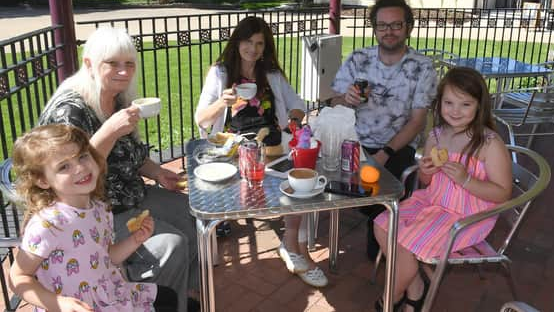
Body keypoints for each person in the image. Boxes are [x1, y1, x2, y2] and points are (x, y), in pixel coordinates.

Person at [38, 27, 198, 312]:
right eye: (113, 63)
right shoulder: (70, 112)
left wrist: (158, 172)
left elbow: (132, 156)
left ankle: (183, 294)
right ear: (89, 64)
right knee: (172, 245)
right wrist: (109, 132)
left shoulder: (118, 99)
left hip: (131, 193)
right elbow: (73, 176)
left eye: (129, 64)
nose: (124, 72)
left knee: (191, 213)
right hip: (96, 210)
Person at [195, 16, 328, 288]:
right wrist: (222, 102)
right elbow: (202, 119)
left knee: (300, 181)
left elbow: (297, 105)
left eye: (259, 43)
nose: (253, 49)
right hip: (233, 150)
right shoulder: (221, 73)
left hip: (274, 146)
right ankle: (294, 248)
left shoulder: (272, 74)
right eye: (247, 41)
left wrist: (293, 116)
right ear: (237, 42)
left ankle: (293, 245)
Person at [373, 67, 512, 312]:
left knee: (403, 243)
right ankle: (415, 287)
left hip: (465, 215)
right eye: (449, 102)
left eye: (465, 104)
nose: (455, 111)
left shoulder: (489, 143)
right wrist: (426, 170)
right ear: (439, 104)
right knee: (382, 223)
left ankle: (390, 299)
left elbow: (503, 193)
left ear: (479, 106)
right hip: (432, 202)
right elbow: (427, 182)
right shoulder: (436, 135)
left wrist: (466, 180)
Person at [9, 124, 178, 312]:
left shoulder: (98, 207)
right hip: (76, 307)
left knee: (168, 298)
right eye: (64, 166)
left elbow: (104, 256)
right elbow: (18, 277)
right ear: (43, 180)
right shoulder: (48, 224)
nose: (80, 168)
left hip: (108, 294)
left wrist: (134, 240)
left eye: (83, 156)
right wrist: (58, 303)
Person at [328, 0, 439, 259]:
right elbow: (331, 101)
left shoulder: (422, 67)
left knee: (384, 187)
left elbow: (417, 121)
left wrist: (383, 154)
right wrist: (346, 99)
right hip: (354, 141)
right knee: (327, 180)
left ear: (408, 27)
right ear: (374, 28)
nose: (388, 31)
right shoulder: (358, 59)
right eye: (382, 25)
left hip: (397, 145)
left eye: (396, 25)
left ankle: (381, 231)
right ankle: (371, 219)